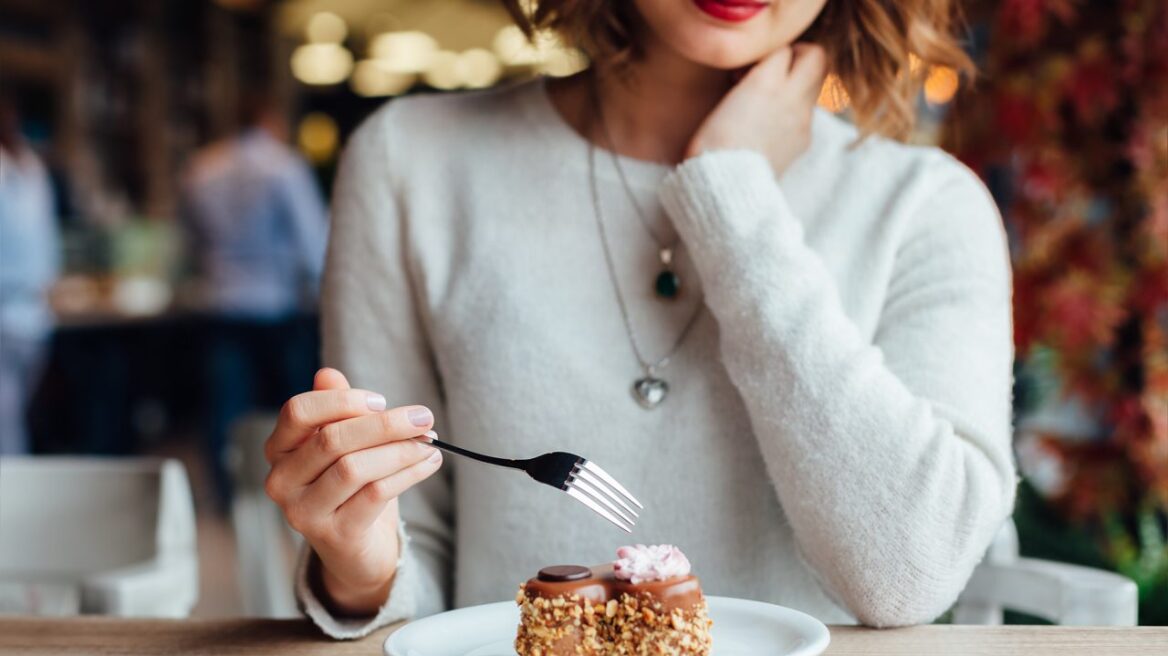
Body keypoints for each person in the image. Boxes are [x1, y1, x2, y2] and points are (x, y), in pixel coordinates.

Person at [264, 0, 1016, 637]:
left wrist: (732, 198)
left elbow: (909, 575)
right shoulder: (410, 163)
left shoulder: (926, 206)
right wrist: (359, 565)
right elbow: (412, 563)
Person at [180, 92, 328, 509]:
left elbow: (190, 240)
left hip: (221, 301)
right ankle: (295, 492)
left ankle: (227, 497)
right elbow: (312, 242)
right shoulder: (283, 165)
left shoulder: (201, 167)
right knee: (293, 408)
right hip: (275, 304)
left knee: (223, 406)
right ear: (269, 119)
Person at [0, 97, 60, 455]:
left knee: (22, 413)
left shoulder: (33, 166)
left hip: (36, 311)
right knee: (5, 421)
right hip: (4, 309)